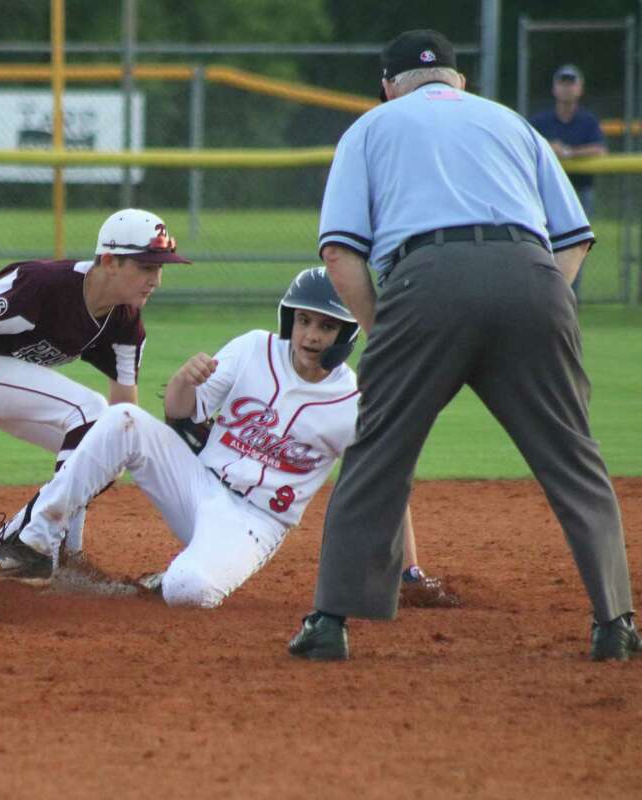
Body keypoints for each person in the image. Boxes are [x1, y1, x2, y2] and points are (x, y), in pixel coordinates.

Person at [290, 29, 637, 662]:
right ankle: (616, 622)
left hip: (424, 280)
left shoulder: (372, 126)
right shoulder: (510, 123)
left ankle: (330, 622)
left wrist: (383, 326)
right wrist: (538, 302)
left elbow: (341, 250)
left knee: (378, 454)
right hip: (533, 273)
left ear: (389, 86)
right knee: (574, 458)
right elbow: (575, 238)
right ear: (459, 82)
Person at [0, 267, 434, 608]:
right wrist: (185, 382)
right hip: (196, 482)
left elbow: (388, 484)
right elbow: (179, 415)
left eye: (326, 325)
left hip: (253, 521)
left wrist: (407, 570)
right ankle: (35, 540)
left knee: (189, 591)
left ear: (347, 332)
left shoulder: (349, 405)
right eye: (305, 321)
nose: (311, 335)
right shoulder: (254, 349)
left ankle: (168, 580)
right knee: (121, 417)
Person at [0, 208, 190, 556]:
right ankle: (34, 546)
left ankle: (46, 553)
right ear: (109, 261)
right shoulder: (43, 284)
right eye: (146, 267)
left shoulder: (125, 324)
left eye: (160, 268)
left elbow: (124, 415)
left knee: (105, 455)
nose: (156, 279)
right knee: (89, 409)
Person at [528, 64, 607, 299]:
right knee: (540, 247)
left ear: (579, 88)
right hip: (543, 195)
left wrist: (569, 152)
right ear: (554, 88)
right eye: (562, 82)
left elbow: (599, 151)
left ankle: (570, 298)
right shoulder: (541, 120)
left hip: (579, 192)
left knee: (576, 247)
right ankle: (541, 297)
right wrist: (551, 149)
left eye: (571, 83)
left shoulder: (587, 120)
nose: (566, 88)